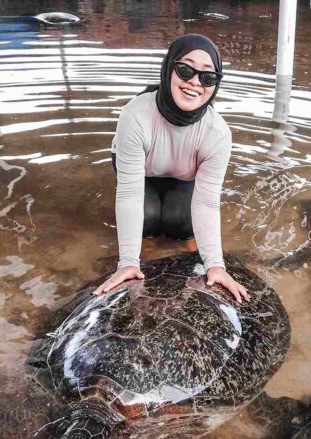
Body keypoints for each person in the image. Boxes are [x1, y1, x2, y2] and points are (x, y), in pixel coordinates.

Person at [93, 34, 249, 303]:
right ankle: (147, 248)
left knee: (182, 219)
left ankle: (189, 248)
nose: (194, 82)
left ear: (215, 84)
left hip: (182, 175)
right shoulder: (136, 115)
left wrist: (215, 264)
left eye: (207, 77)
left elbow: (208, 203)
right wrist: (128, 262)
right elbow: (129, 193)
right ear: (169, 68)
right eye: (185, 69)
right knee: (148, 214)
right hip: (141, 172)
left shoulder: (217, 133)